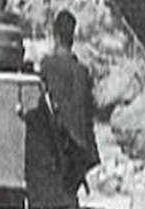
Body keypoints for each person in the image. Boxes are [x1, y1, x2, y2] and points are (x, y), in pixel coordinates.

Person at [39, 10, 100, 197]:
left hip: (58, 151)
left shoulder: (48, 66)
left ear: (55, 36)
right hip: (82, 155)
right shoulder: (82, 72)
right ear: (72, 37)